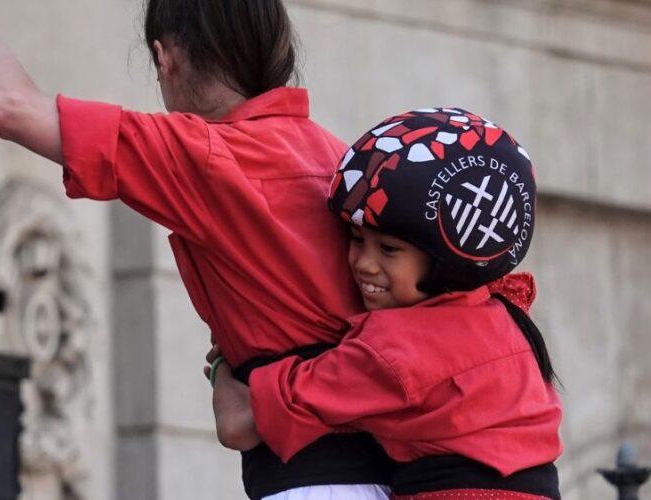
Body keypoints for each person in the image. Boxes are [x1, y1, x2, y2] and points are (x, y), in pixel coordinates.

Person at [0, 0, 393, 498]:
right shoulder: (344, 158)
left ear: (164, 57)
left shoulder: (203, 154)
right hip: (395, 475)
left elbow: (7, 104)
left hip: (311, 483)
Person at [208, 108, 564, 499]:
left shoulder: (395, 353)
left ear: (446, 263)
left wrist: (225, 362)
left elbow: (237, 425)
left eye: (389, 249)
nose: (364, 263)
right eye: (356, 239)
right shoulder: (504, 319)